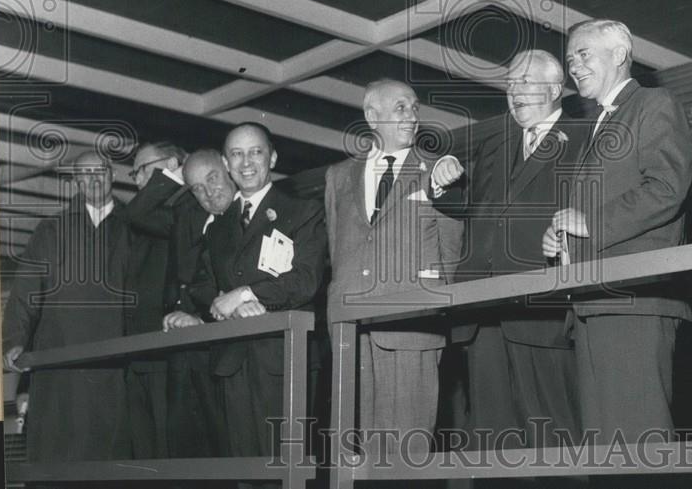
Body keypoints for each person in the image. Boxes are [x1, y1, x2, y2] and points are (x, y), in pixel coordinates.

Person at [542, 20, 692, 451]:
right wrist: (563, 242)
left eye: (583, 53)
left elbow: (666, 188)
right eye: (570, 58)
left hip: (634, 303)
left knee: (641, 454)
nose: (574, 65)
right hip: (594, 308)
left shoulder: (653, 103)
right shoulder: (597, 124)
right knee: (607, 458)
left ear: (619, 53)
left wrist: (587, 223)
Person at [432, 49, 585, 451]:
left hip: (543, 312)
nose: (514, 91)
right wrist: (443, 179)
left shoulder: (584, 137)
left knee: (556, 440)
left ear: (555, 89)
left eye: (526, 82)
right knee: (491, 444)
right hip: (483, 316)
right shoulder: (495, 146)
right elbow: (471, 206)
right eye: (510, 84)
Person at [325, 79, 463, 457]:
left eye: (415, 108)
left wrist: (434, 306)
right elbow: (340, 251)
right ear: (372, 116)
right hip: (351, 331)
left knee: (406, 454)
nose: (412, 116)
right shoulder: (338, 176)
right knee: (354, 456)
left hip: (411, 325)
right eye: (401, 107)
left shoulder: (440, 171)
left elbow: (451, 249)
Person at [202, 123, 327, 473]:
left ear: (271, 157)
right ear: (226, 163)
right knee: (244, 471)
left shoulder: (303, 210)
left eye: (255, 152)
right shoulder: (217, 228)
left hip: (283, 358)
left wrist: (247, 294)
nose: (246, 162)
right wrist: (220, 305)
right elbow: (206, 288)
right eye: (236, 154)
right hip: (232, 361)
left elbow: (307, 280)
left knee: (286, 470)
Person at [3, 151, 132, 462]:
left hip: (120, 363)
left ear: (112, 174)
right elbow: (24, 292)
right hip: (61, 360)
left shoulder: (136, 227)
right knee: (60, 454)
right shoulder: (50, 231)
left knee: (116, 456)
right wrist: (14, 341)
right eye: (83, 173)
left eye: (98, 171)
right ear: (75, 181)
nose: (92, 178)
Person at [141, 147, 238, 462]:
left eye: (212, 179)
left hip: (229, 348)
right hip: (186, 346)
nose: (208, 193)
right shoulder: (189, 214)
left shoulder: (252, 215)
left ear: (227, 168)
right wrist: (172, 173)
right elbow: (137, 214)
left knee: (230, 445)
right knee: (187, 447)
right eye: (197, 187)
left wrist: (200, 319)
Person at [122, 140, 188, 459]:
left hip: (165, 351)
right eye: (133, 173)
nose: (135, 180)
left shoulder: (185, 209)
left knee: (166, 449)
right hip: (136, 350)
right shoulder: (151, 216)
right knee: (143, 452)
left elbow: (137, 211)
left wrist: (172, 177)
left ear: (172, 165)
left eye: (141, 170)